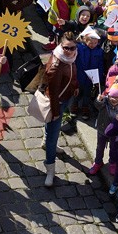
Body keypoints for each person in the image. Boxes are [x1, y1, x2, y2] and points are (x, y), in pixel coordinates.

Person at [42, 32, 80, 187]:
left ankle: (45, 140)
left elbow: (72, 73)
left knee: (51, 131)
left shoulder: (71, 57)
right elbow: (53, 94)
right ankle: (49, 168)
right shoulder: (56, 66)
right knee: (53, 136)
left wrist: (75, 86)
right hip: (56, 102)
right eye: (66, 48)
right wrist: (56, 113)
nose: (70, 51)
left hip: (66, 96)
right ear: (59, 45)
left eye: (73, 47)